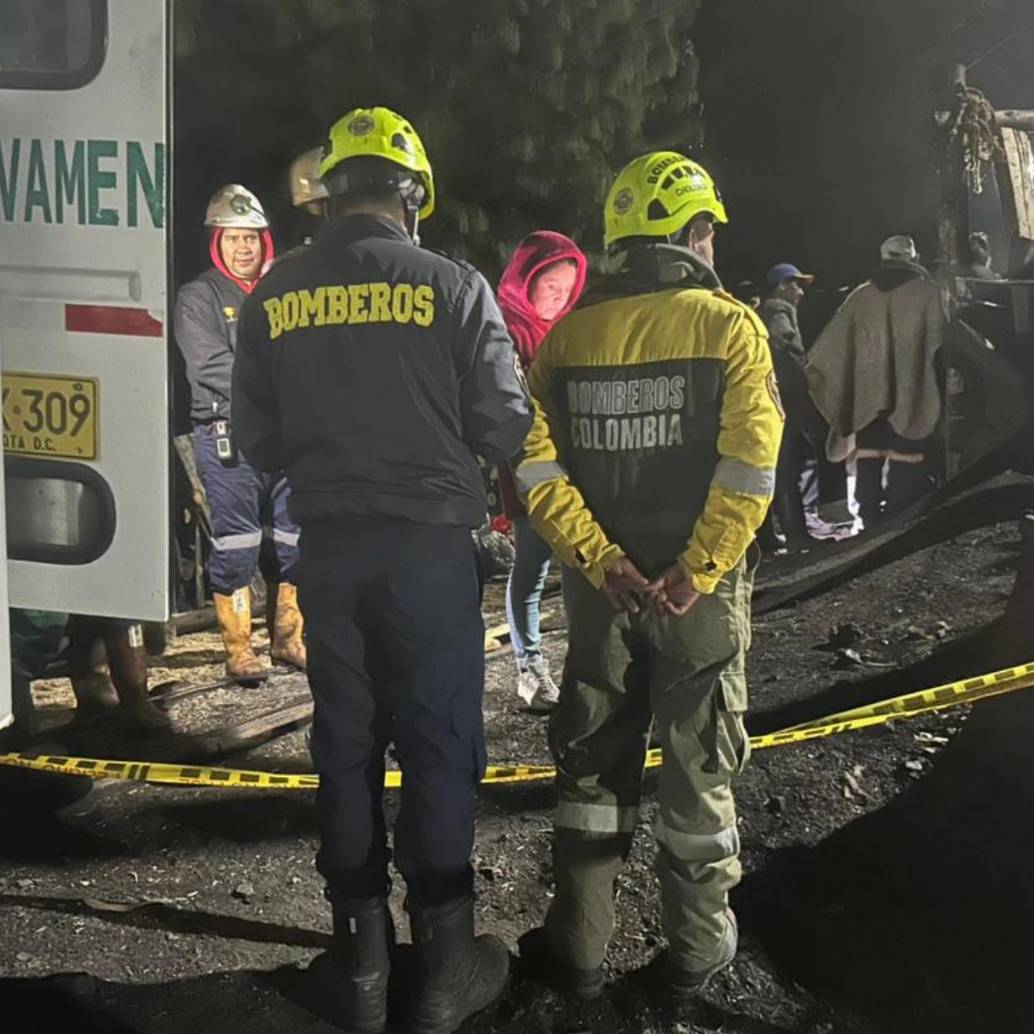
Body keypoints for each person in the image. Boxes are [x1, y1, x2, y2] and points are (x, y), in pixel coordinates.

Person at [232, 106, 532, 1034]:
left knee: (347, 744)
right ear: (413, 197)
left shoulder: (274, 295)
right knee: (440, 742)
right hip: (431, 554)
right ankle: (445, 973)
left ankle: (360, 969)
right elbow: (504, 423)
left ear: (328, 196)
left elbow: (255, 441)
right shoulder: (455, 286)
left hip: (330, 552)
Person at [513, 151, 783, 1010]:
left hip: (604, 599)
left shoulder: (566, 340)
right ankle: (696, 951)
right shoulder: (729, 325)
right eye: (709, 230)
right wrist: (698, 567)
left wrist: (600, 559)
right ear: (692, 234)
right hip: (693, 602)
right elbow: (751, 463)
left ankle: (580, 946)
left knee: (591, 770)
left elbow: (532, 467)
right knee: (700, 770)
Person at [173, 185, 306, 681]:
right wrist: (278, 386)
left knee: (294, 535)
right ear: (217, 243)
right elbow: (210, 366)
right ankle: (238, 650)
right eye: (233, 239)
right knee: (236, 542)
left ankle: (289, 640)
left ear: (265, 241)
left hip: (288, 435)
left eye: (252, 238)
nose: (244, 248)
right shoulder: (198, 297)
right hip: (227, 434)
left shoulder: (285, 290)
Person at [496, 231, 587, 712]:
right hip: (528, 472)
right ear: (524, 281)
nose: (557, 296)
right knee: (531, 569)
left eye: (566, 288)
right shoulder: (502, 331)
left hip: (579, 470)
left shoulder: (574, 332)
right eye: (548, 285)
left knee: (581, 563)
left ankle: (588, 663)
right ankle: (530, 668)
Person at [807, 235, 947, 529]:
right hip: (915, 393)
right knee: (907, 452)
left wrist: (851, 384)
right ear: (913, 257)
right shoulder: (930, 294)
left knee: (869, 452)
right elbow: (943, 341)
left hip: (867, 399)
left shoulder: (861, 297)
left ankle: (869, 516)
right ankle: (899, 515)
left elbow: (828, 350)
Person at [759, 263, 849, 546]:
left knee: (785, 463)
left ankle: (772, 537)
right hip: (788, 398)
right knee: (788, 464)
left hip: (778, 397)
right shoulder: (777, 308)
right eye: (796, 285)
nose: (800, 292)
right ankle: (798, 536)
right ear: (782, 285)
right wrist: (805, 372)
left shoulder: (769, 310)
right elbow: (782, 341)